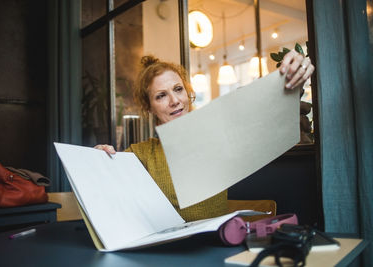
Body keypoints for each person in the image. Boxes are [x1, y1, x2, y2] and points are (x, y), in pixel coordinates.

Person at [95, 51, 315, 222]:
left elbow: (267, 111)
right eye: (161, 95)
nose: (175, 101)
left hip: (213, 247)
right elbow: (105, 189)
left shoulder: (219, 135)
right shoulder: (140, 153)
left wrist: (296, 69)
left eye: (178, 89)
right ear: (149, 107)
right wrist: (99, 160)